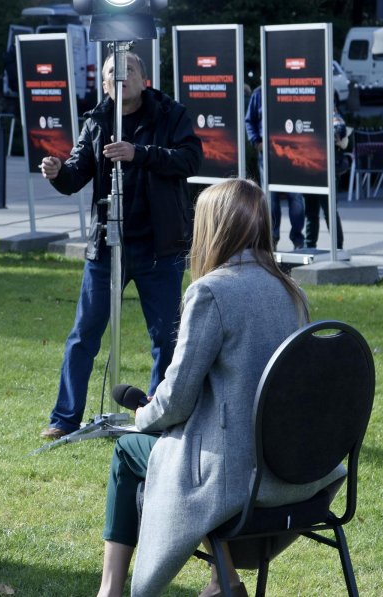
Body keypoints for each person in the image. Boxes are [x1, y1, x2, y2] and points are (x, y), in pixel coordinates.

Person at [97, 179, 346, 597]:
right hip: (299, 469)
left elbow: (176, 400)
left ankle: (110, 590)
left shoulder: (211, 292)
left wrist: (144, 416)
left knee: (129, 452)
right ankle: (221, 580)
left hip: (240, 477)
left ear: (211, 229)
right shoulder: (292, 292)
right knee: (210, 439)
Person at [38, 51, 203, 439]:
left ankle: (157, 417)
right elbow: (77, 173)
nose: (120, 77)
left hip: (159, 247)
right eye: (112, 72)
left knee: (166, 337)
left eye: (127, 70)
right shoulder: (97, 120)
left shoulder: (170, 114)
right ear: (105, 82)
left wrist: (139, 153)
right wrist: (58, 172)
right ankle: (64, 420)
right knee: (84, 334)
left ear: (143, 79)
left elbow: (191, 159)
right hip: (108, 246)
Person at [245, 86, 305, 250]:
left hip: (293, 155)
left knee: (296, 198)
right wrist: (256, 142)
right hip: (268, 156)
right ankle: (272, 239)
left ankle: (298, 240)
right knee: (271, 199)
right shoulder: (259, 93)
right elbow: (249, 120)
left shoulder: (293, 89)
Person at [304, 107, 347, 250]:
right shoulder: (303, 109)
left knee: (329, 210)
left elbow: (340, 129)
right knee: (311, 211)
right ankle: (309, 246)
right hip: (308, 167)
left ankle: (338, 248)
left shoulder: (328, 108)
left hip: (325, 169)